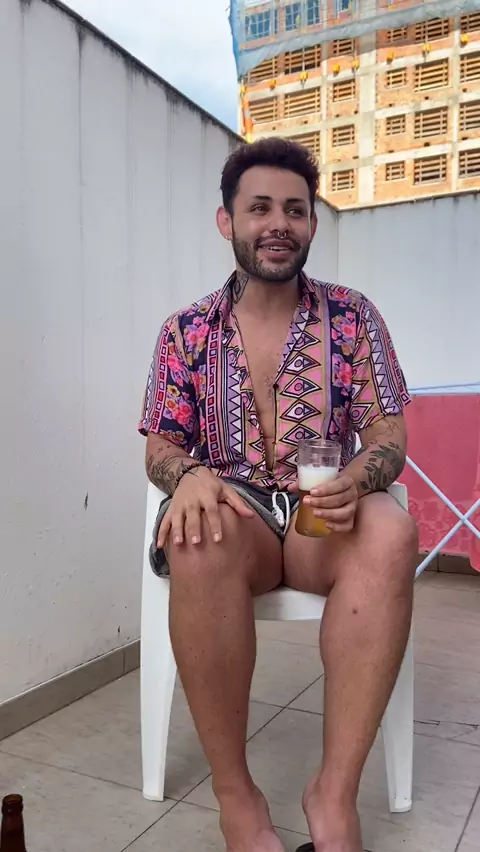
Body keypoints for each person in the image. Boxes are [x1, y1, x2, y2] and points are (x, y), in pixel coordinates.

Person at [139, 137, 418, 852]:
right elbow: (160, 446)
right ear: (226, 221)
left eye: (295, 210)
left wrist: (361, 476)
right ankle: (236, 798)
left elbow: (388, 432)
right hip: (239, 515)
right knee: (194, 538)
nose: (278, 224)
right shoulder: (185, 332)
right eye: (259, 207)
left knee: (391, 531)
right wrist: (188, 476)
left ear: (312, 225)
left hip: (324, 514)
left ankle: (334, 794)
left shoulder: (353, 317)